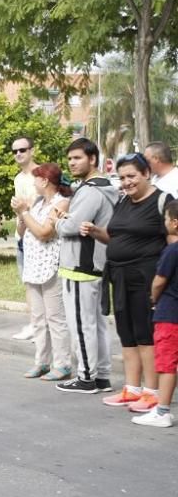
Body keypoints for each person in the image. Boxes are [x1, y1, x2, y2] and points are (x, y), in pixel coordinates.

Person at [82, 153, 166, 411]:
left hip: (146, 277)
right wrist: (96, 232)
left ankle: (152, 391)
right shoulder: (123, 202)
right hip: (119, 275)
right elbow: (116, 236)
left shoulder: (162, 201)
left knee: (145, 334)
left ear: (146, 174)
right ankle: (132, 388)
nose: (127, 182)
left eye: (132, 176)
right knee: (126, 332)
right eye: (122, 177)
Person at [53, 138, 119, 394]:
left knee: (82, 324)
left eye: (77, 158)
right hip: (95, 265)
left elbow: (72, 227)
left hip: (81, 267)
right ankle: (101, 375)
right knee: (96, 324)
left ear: (92, 159)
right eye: (70, 159)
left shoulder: (91, 190)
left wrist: (58, 221)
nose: (72, 163)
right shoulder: (106, 188)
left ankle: (86, 377)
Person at [11, 163, 72, 381]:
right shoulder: (36, 202)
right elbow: (22, 230)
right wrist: (21, 214)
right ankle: (42, 361)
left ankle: (63, 363)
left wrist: (25, 212)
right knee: (37, 317)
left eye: (35, 179)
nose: (33, 183)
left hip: (50, 265)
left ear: (45, 180)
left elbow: (44, 232)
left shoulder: (61, 202)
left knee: (55, 317)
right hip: (33, 264)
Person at [135, 199, 178, 427]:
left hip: (170, 315)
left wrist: (154, 297)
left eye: (165, 220)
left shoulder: (172, 250)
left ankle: (162, 411)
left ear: (175, 223)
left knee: (166, 365)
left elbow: (159, 281)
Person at [11, 137, 39, 341]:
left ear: (32, 151)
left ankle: (41, 326)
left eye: (22, 150)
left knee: (40, 285)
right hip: (22, 234)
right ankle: (33, 323)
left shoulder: (42, 174)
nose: (18, 154)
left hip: (39, 234)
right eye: (15, 151)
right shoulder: (18, 178)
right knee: (28, 282)